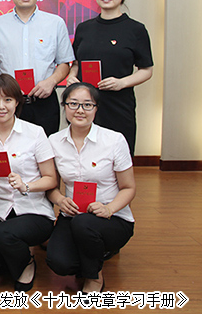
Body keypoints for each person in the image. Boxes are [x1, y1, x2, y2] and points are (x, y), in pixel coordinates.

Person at [0, 74, 57, 291]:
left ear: (17, 102)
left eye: (7, 100)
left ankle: (27, 262)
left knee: (2, 234)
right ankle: (12, 252)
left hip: (33, 209)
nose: (1, 106)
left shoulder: (35, 133)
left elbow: (51, 178)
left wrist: (27, 186)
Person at [46, 83, 136, 293]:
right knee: (59, 263)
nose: (80, 110)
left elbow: (129, 188)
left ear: (96, 108)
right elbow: (51, 186)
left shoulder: (114, 140)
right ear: (64, 106)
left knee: (84, 224)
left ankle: (94, 277)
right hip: (73, 215)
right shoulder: (54, 141)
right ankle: (94, 252)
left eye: (87, 105)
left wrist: (109, 208)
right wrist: (60, 200)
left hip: (112, 218)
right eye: (73, 104)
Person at [67, 0, 153, 156]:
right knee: (84, 157)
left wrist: (122, 82)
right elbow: (76, 63)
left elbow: (146, 70)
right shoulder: (84, 28)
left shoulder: (136, 30)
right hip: (84, 107)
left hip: (118, 105)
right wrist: (72, 77)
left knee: (118, 158)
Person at [0, 0, 75, 136]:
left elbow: (64, 63)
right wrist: (5, 88)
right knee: (9, 147)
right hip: (9, 103)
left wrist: (51, 82)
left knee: (46, 148)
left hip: (44, 101)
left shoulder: (55, 23)